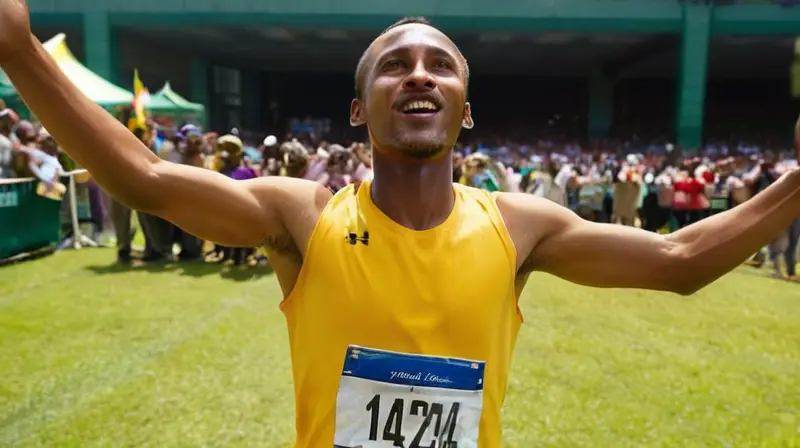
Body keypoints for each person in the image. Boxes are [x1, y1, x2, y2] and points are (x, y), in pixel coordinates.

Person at [2, 6, 800, 445]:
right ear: (359, 108)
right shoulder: (301, 215)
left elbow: (681, 256)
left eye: (440, 64)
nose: (418, 73)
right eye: (394, 63)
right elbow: (142, 179)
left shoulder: (518, 226)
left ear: (466, 108)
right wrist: (20, 50)